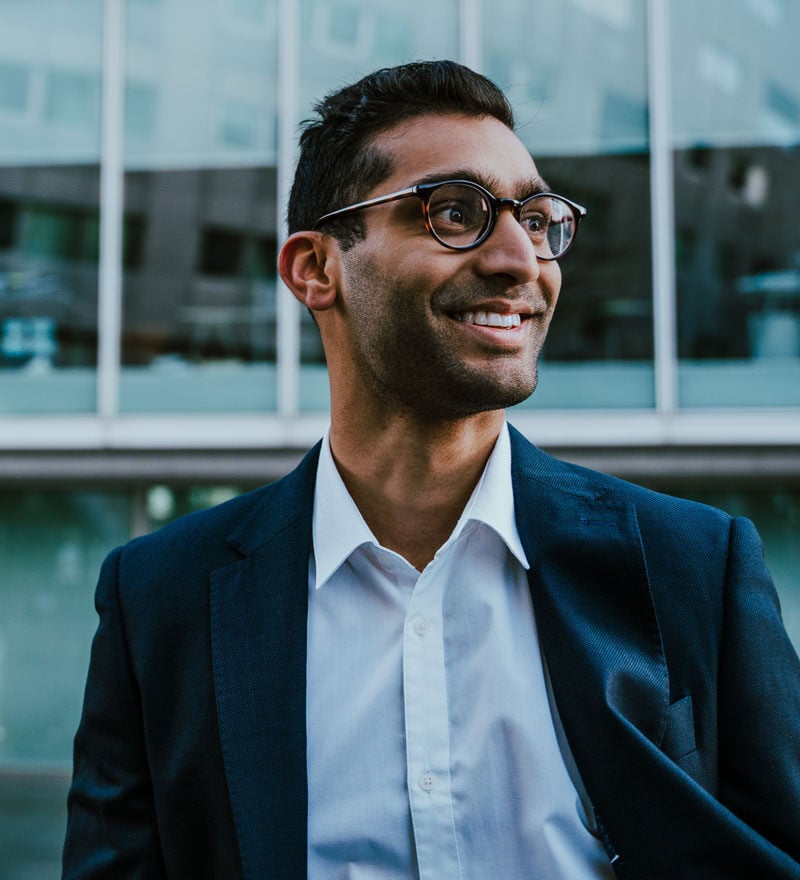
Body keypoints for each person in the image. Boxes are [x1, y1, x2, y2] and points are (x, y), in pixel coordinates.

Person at [62, 60, 800, 880]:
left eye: (540, 219)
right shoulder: (159, 600)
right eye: (457, 212)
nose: (523, 259)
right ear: (316, 268)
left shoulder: (695, 565)